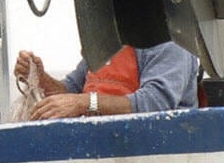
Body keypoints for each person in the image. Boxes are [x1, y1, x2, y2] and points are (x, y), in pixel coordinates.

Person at [11, 40, 198, 121]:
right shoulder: (106, 40)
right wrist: (40, 79)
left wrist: (84, 103)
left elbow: (155, 103)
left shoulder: (171, 42)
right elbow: (72, 90)